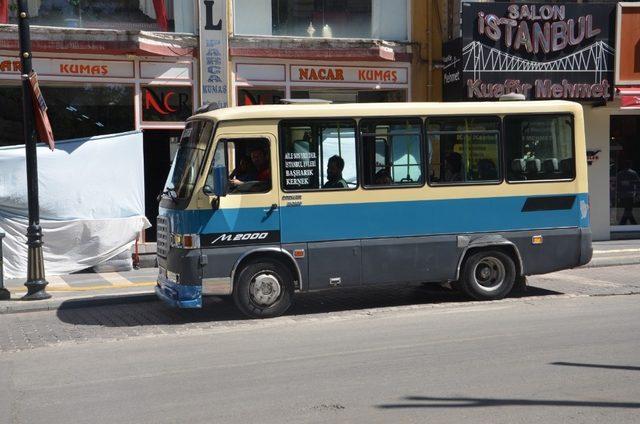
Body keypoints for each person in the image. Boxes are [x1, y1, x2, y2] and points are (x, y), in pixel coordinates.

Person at [616, 160, 640, 225]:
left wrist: (618, 194)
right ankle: (631, 224)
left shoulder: (619, 174)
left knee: (628, 209)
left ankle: (624, 224)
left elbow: (617, 184)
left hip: (622, 194)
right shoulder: (633, 173)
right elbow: (638, 183)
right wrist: (637, 193)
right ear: (630, 165)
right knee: (628, 209)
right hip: (630, 194)